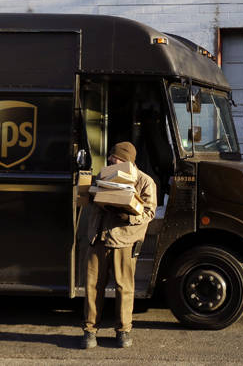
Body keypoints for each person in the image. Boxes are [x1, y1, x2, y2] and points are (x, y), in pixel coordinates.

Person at [81, 142, 157, 349]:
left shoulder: (145, 181)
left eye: (119, 160)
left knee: (124, 288)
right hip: (98, 239)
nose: (114, 161)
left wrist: (128, 215)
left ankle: (123, 331)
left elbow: (149, 213)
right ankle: (89, 330)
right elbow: (87, 199)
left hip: (124, 241)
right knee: (93, 287)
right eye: (113, 158)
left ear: (129, 161)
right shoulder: (103, 175)